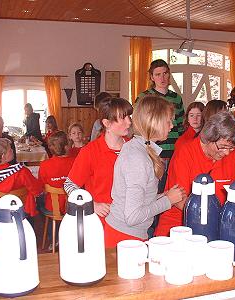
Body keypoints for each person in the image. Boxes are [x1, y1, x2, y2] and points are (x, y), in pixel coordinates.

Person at [105, 95, 186, 248]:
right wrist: (167, 201)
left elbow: (141, 200)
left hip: (128, 235)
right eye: (168, 121)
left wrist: (164, 195)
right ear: (154, 122)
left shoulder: (140, 149)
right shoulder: (138, 157)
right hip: (124, 238)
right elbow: (133, 216)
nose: (171, 126)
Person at [155, 112, 235, 236]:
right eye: (222, 147)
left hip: (215, 227)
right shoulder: (185, 153)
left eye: (231, 148)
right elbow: (179, 200)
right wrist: (211, 217)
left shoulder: (231, 158)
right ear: (208, 139)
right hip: (178, 227)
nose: (227, 153)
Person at [64, 98, 133, 225]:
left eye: (129, 116)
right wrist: (91, 204)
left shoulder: (133, 147)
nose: (129, 122)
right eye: (123, 118)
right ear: (107, 123)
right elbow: (69, 185)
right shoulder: (90, 151)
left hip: (131, 220)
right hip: (103, 221)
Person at [136, 59, 185, 192]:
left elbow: (181, 127)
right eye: (158, 74)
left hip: (173, 152)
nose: (162, 78)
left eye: (165, 73)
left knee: (169, 189)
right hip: (152, 152)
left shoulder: (177, 98)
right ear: (152, 77)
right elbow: (139, 125)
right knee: (151, 191)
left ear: (169, 75)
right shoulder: (144, 97)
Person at [0, 138, 42, 217]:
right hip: (21, 212)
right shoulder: (21, 172)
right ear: (3, 156)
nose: (13, 150)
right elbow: (37, 190)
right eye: (10, 150)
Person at [39, 131, 75, 215]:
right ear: (66, 147)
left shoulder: (44, 165)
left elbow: (41, 186)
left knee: (38, 199)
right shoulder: (76, 162)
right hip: (73, 206)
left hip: (51, 207)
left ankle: (50, 227)